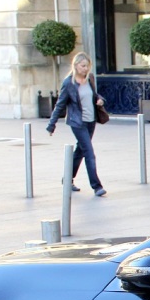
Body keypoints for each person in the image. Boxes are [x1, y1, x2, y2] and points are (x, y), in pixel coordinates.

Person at [46, 51, 106, 196]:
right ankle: (97, 186)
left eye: (87, 66)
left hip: (91, 121)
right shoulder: (69, 83)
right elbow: (60, 105)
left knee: (80, 151)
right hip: (77, 123)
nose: (85, 69)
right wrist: (51, 125)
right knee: (89, 153)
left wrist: (100, 100)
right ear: (76, 65)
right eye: (83, 66)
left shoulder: (90, 79)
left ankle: (67, 180)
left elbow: (94, 95)